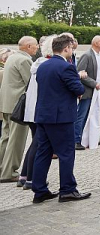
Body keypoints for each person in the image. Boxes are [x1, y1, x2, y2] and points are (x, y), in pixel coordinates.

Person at [31, 34, 90, 203]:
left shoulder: (43, 65)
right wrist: (78, 77)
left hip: (43, 115)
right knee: (66, 153)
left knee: (43, 152)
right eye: (71, 48)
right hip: (60, 117)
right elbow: (78, 89)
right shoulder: (66, 67)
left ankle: (39, 190)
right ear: (66, 49)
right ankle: (68, 190)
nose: (72, 51)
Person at [18, 35, 56, 189]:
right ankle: (30, 178)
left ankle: (25, 175)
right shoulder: (46, 65)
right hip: (39, 110)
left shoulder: (39, 63)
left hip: (34, 108)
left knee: (36, 143)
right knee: (39, 144)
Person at [0, 35, 37, 182]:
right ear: (28, 46)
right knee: (16, 140)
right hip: (18, 106)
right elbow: (31, 82)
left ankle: (2, 168)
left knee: (5, 137)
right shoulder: (24, 60)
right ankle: (9, 172)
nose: (37, 47)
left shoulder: (12, 58)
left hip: (7, 104)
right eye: (35, 45)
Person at [75, 35, 100, 150]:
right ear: (95, 43)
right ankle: (76, 139)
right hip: (88, 92)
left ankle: (89, 138)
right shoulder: (87, 55)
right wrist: (94, 84)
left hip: (96, 92)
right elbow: (80, 73)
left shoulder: (99, 56)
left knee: (93, 116)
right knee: (82, 116)